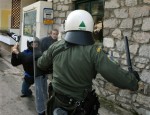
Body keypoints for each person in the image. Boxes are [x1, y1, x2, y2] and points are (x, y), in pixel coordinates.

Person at [37, 10, 140, 115]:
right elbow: (114, 74)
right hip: (79, 107)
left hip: (56, 102)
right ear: (90, 27)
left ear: (68, 25)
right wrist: (133, 81)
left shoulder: (55, 46)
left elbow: (41, 64)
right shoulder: (95, 51)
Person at [34, 29, 59, 115]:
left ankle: (49, 100)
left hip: (51, 67)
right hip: (44, 65)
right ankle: (43, 107)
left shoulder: (57, 42)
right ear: (50, 34)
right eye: (53, 34)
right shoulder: (44, 40)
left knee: (48, 84)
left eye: (56, 34)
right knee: (41, 87)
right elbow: (42, 53)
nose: (55, 35)